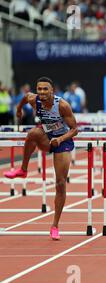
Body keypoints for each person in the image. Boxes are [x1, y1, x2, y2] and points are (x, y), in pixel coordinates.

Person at [3, 77, 78, 240]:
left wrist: (61, 139)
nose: (42, 92)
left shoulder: (62, 105)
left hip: (62, 142)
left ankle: (55, 226)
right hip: (46, 137)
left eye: (45, 89)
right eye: (40, 89)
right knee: (33, 133)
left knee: (60, 183)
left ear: (52, 91)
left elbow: (74, 129)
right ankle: (23, 170)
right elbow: (24, 97)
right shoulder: (33, 99)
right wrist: (18, 109)